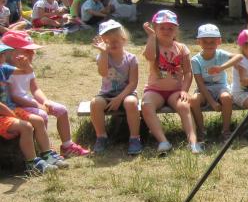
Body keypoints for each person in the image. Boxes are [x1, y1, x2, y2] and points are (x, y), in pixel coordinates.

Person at [3, 30, 90, 158]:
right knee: (42, 115)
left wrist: (45, 101)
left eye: (32, 50)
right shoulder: (6, 71)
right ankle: (45, 149)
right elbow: (13, 97)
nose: (32, 53)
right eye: (27, 50)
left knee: (62, 110)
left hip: (29, 101)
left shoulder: (27, 68)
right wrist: (37, 105)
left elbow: (35, 89)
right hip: (18, 106)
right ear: (10, 53)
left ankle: (67, 145)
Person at [140, 10, 200, 155]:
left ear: (176, 30)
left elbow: (187, 72)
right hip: (155, 90)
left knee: (184, 106)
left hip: (175, 91)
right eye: (162, 28)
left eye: (170, 28)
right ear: (155, 28)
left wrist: (184, 90)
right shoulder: (153, 44)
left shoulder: (182, 48)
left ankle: (193, 142)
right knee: (146, 106)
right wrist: (151, 37)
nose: (166, 31)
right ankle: (163, 141)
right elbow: (149, 56)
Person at [89, 20, 142, 155]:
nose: (112, 44)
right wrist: (103, 53)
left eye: (116, 40)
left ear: (123, 40)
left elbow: (133, 83)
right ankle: (101, 136)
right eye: (108, 41)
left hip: (126, 93)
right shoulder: (102, 56)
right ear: (102, 42)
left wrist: (119, 98)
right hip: (107, 94)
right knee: (95, 103)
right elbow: (103, 73)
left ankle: (134, 138)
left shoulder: (131, 58)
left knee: (131, 102)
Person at [0, 43, 52, 174]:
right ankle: (32, 163)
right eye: (1, 55)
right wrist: (12, 115)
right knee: (26, 127)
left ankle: (47, 155)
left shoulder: (3, 68)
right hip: (3, 114)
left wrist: (26, 63)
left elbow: (26, 72)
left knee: (38, 120)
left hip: (10, 111)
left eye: (2, 54)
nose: (3, 57)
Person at [189, 24, 234, 142]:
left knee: (227, 98)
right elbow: (200, 84)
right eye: (205, 41)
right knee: (194, 100)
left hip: (221, 87)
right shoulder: (195, 60)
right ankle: (201, 130)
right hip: (205, 89)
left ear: (219, 41)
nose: (209, 45)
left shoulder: (221, 54)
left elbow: (239, 57)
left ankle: (226, 131)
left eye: (212, 41)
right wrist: (212, 102)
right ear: (198, 42)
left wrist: (221, 67)